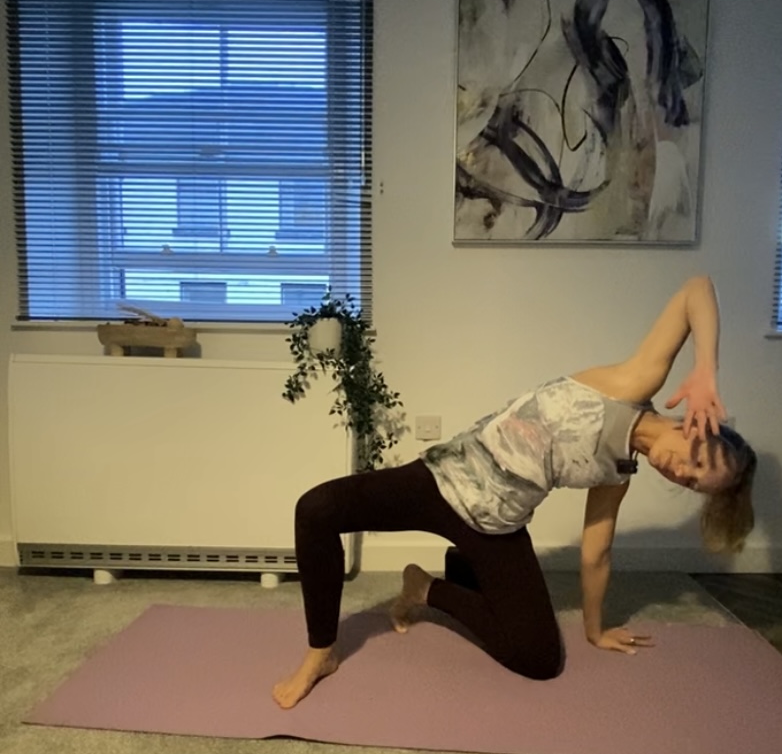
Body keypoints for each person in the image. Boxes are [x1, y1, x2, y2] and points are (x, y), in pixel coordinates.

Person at [272, 275, 757, 709]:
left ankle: (426, 587)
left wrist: (595, 630)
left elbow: (597, 554)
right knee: (316, 509)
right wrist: (706, 371)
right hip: (438, 481)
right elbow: (697, 289)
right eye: (697, 460)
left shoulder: (618, 471)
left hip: (496, 526)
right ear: (695, 424)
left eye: (692, 483)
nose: (681, 473)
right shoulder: (631, 384)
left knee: (538, 659)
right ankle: (322, 652)